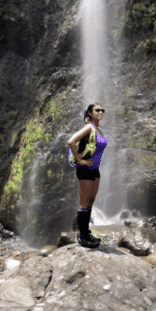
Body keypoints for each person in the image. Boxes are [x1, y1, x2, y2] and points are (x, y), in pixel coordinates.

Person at [67, 103, 107, 248]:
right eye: (97, 110)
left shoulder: (99, 130)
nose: (101, 112)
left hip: (95, 169)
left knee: (90, 202)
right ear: (90, 113)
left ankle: (86, 232)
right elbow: (71, 141)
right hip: (85, 169)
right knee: (84, 203)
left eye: (103, 110)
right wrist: (80, 160)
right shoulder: (89, 127)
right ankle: (83, 237)